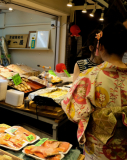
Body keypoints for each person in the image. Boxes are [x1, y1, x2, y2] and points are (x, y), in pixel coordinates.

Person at [61, 22, 127, 160]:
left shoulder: (89, 76)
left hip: (99, 149)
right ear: (125, 50)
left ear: (101, 47)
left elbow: (74, 112)